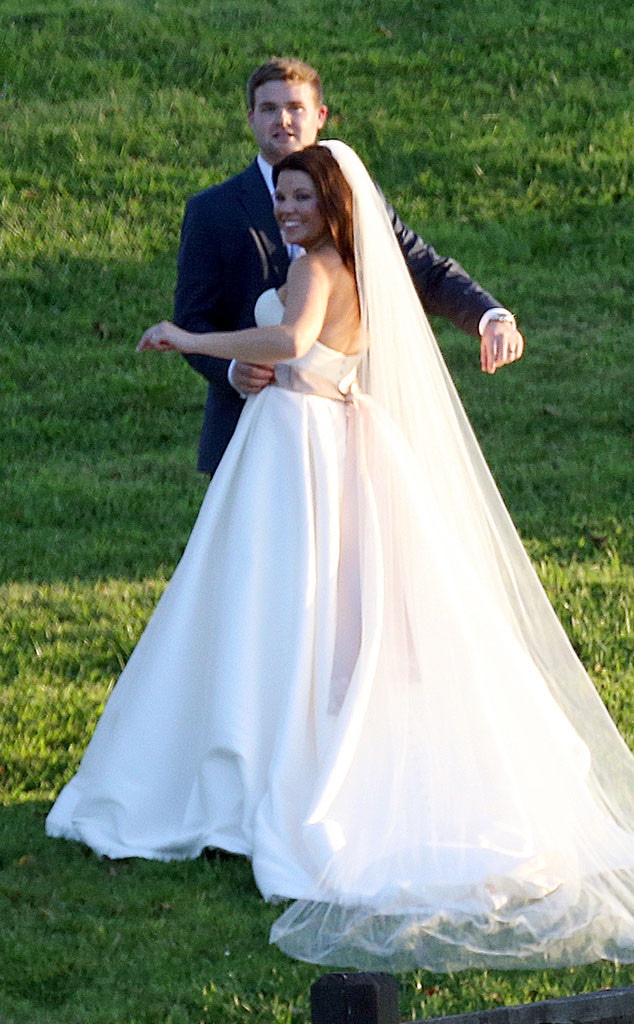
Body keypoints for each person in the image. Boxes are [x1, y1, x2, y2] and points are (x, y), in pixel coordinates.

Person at [47, 140, 634, 974]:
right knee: (323, 607)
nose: (287, 211)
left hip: (297, 446)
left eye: (302, 199)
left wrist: (191, 337)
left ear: (333, 206)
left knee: (277, 603)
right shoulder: (356, 267)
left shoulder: (316, 267)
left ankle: (264, 766)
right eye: (281, 198)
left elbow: (291, 342)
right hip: (341, 436)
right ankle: (293, 748)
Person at [174, 57, 524, 477]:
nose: (282, 120)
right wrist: (232, 370)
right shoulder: (213, 210)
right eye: (269, 109)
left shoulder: (356, 196)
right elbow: (194, 317)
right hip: (250, 429)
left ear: (320, 116)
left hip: (346, 430)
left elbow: (423, 270)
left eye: (295, 107)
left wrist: (491, 317)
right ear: (250, 118)